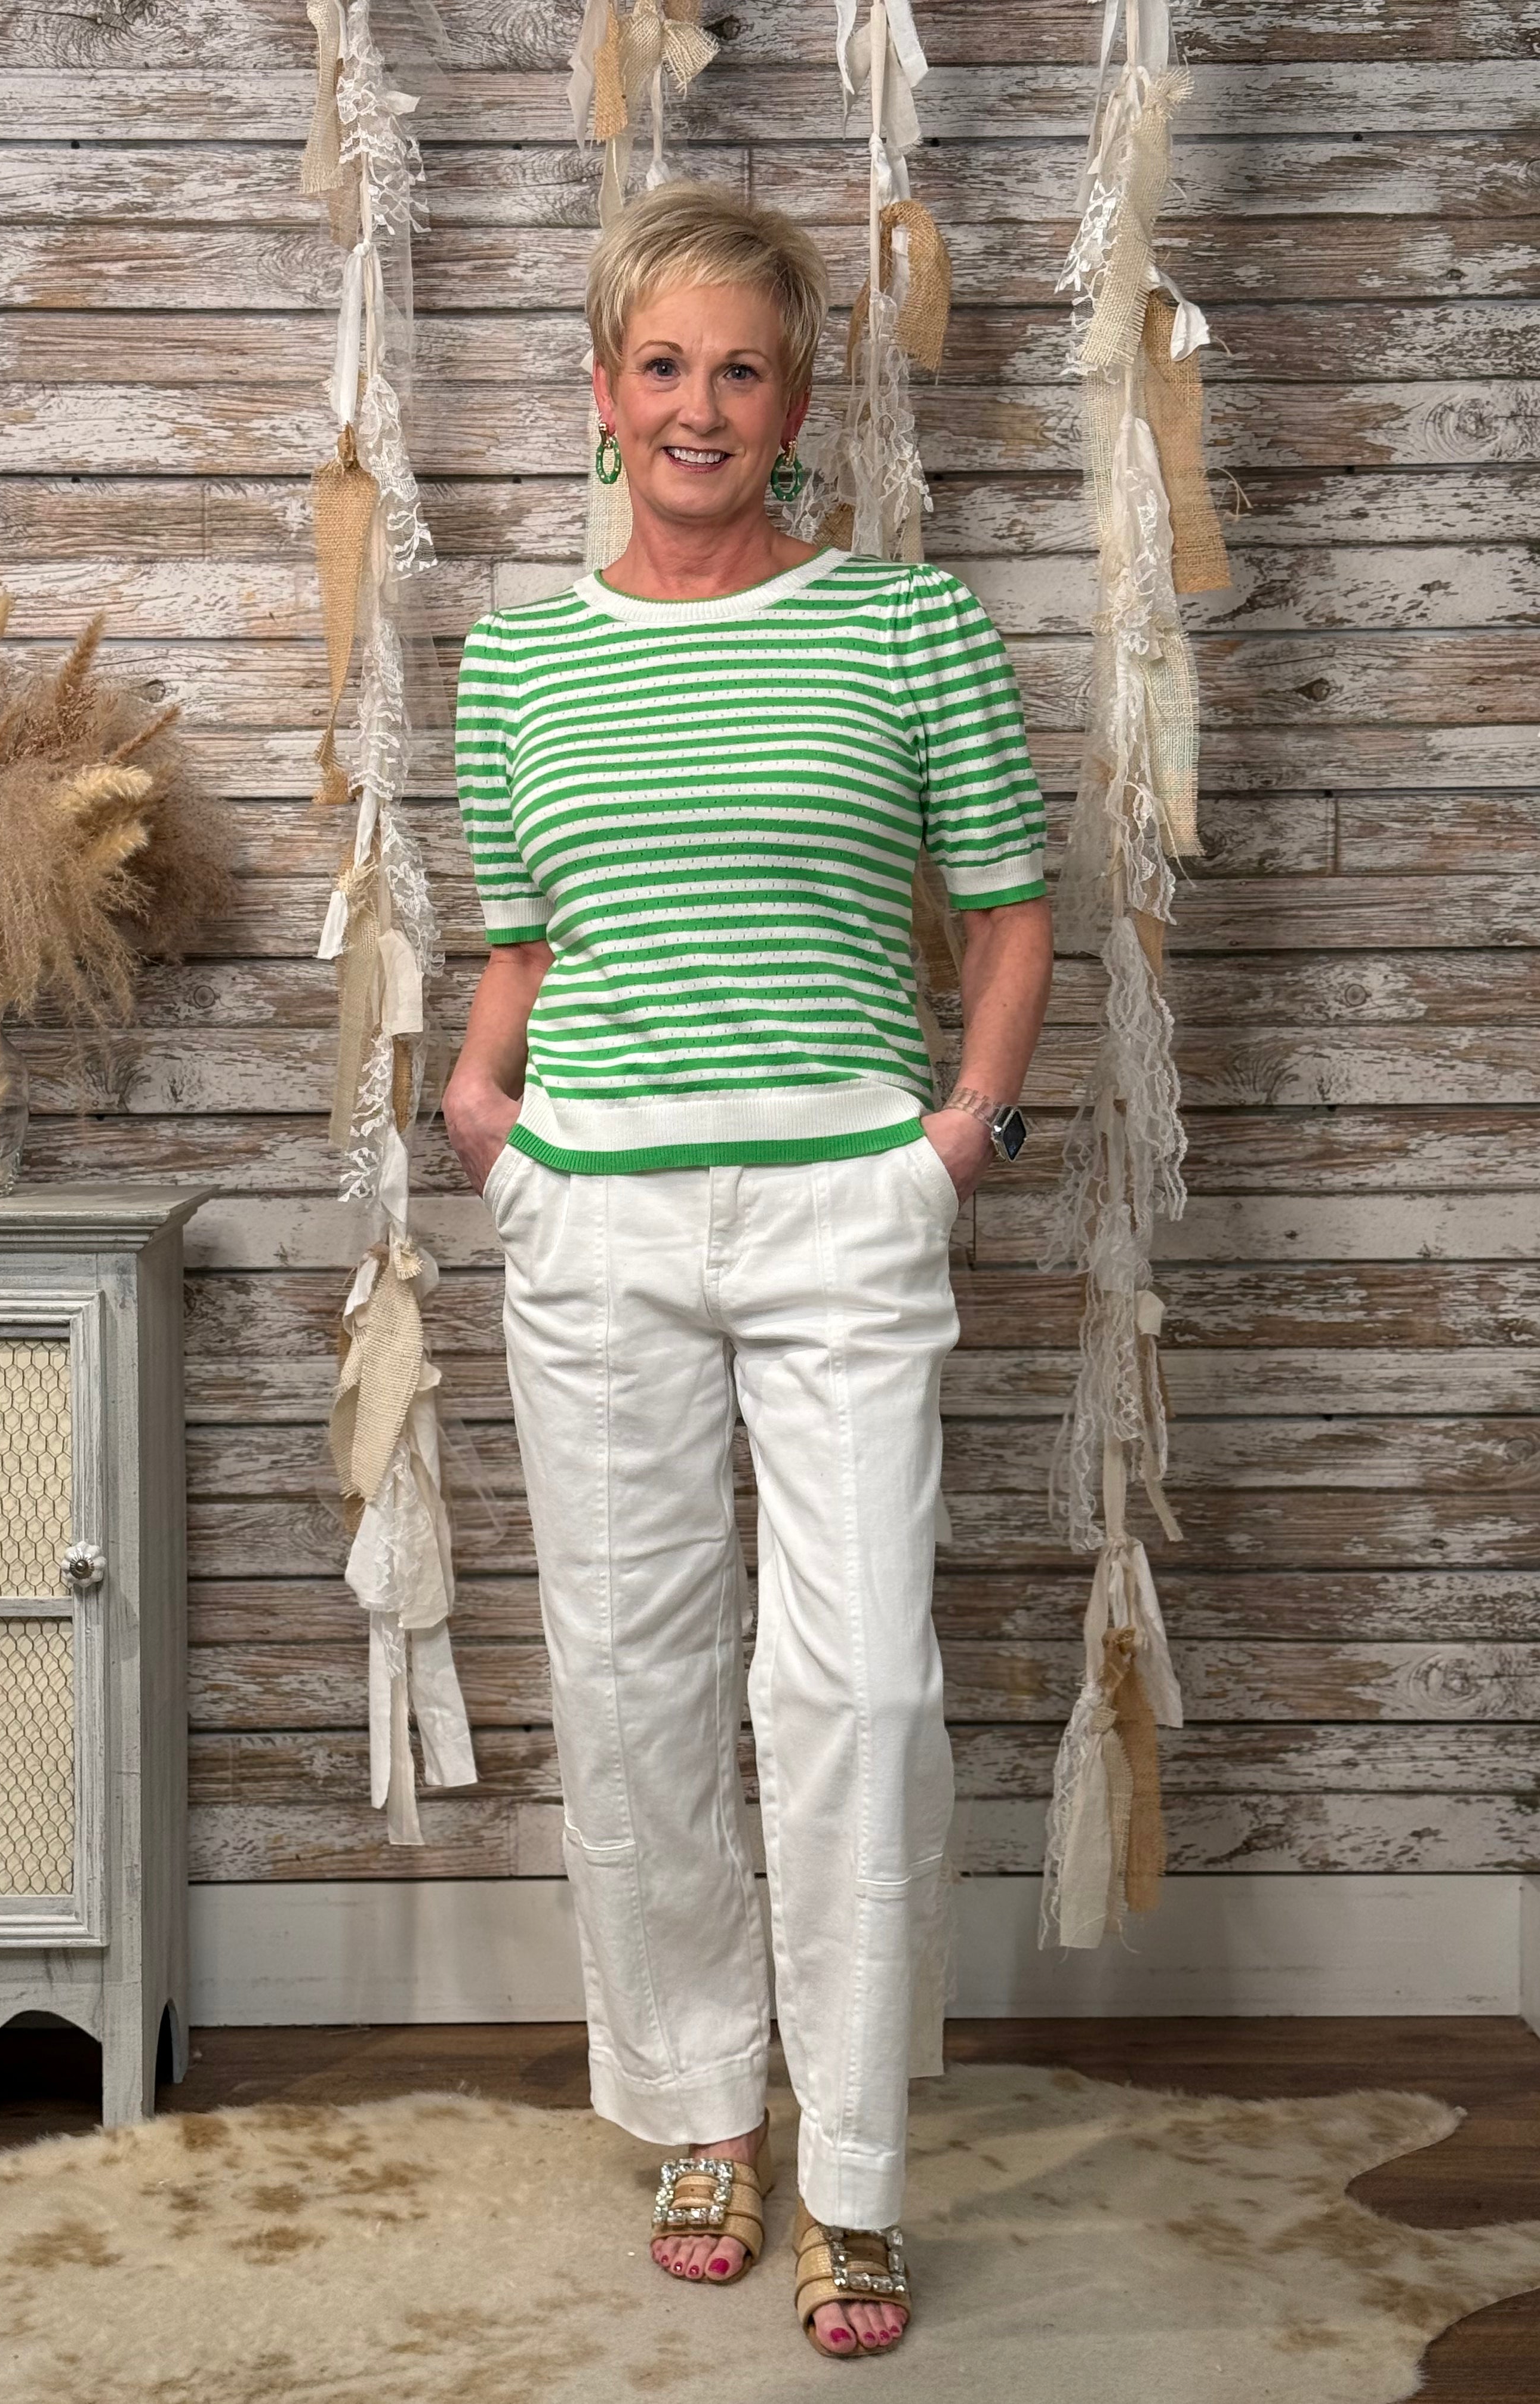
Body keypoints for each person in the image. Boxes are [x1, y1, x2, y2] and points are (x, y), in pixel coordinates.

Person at [443, 179, 1053, 2362]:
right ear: (604, 394)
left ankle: (855, 2166)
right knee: (630, 1682)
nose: (699, 405)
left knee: (858, 1688)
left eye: (743, 370)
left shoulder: (910, 627)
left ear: (797, 407)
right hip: (594, 1216)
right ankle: (706, 2110)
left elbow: (1010, 911)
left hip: (842, 1214)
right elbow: (531, 930)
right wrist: (482, 1096)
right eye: (664, 366)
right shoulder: (517, 658)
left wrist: (960, 1137)